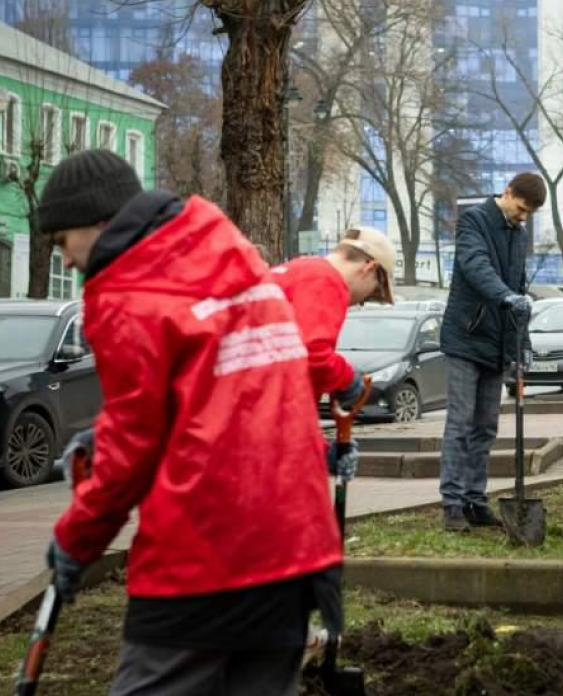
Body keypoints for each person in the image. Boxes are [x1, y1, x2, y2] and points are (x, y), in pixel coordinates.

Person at [38, 149, 343, 696]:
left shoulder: (126, 292)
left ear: (101, 224)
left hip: (207, 549)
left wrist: (76, 541)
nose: (65, 261)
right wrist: (103, 435)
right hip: (295, 544)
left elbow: (135, 446)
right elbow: (211, 397)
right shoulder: (225, 248)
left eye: (62, 241)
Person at [438, 172, 546, 532]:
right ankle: (452, 505)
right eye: (521, 209)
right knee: (460, 423)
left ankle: (475, 499)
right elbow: (475, 266)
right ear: (507, 192)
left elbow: (519, 290)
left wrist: (523, 344)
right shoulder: (474, 220)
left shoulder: (519, 234)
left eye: (530, 213)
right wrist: (505, 297)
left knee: (485, 426)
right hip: (465, 338)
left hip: (498, 343)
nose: (523, 217)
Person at [273, 226, 397, 406]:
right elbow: (314, 356)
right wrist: (348, 380)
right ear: (370, 268)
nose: (361, 301)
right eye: (373, 292)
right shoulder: (327, 281)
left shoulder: (297, 269)